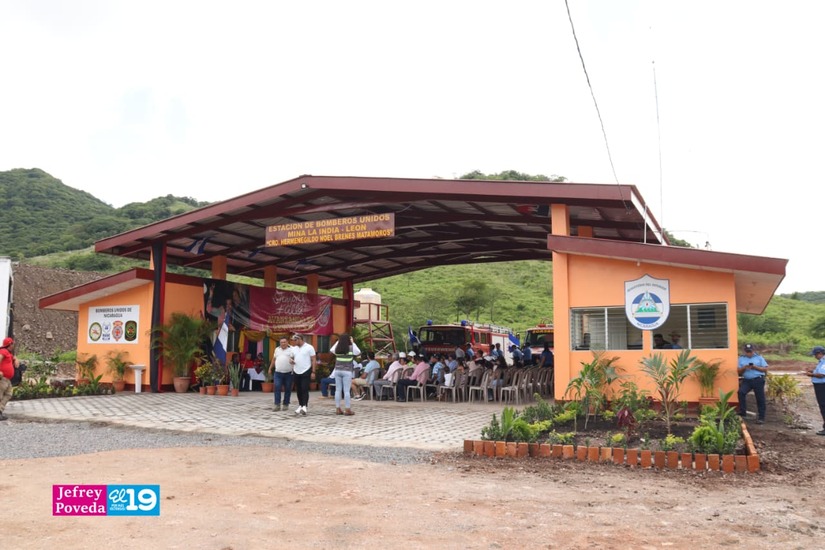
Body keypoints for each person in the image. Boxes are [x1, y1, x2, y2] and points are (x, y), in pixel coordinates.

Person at [737, 343, 769, 424]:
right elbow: (738, 371)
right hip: (747, 380)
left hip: (758, 380)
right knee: (741, 392)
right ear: (744, 351)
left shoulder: (759, 357)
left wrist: (755, 367)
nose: (749, 353)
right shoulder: (741, 358)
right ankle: (743, 411)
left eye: (750, 351)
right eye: (747, 351)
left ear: (753, 351)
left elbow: (765, 369)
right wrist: (744, 368)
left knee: (760, 398)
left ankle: (761, 417)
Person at [331, 333, 359, 416]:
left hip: (337, 371)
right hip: (347, 371)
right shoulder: (351, 348)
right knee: (346, 390)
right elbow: (358, 352)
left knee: (338, 390)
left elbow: (332, 350)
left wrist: (338, 342)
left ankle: (338, 409)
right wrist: (353, 343)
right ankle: (347, 409)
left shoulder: (337, 349)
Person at [290, 334, 317, 416]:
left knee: (304, 388)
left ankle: (304, 406)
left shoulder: (309, 347)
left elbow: (313, 359)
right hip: (296, 370)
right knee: (298, 389)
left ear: (300, 339)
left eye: (295, 340)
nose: (294, 342)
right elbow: (291, 358)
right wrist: (291, 360)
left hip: (306, 370)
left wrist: (313, 371)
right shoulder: (294, 348)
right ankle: (300, 405)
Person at [804, 345, 825, 436]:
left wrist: (811, 375)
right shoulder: (821, 362)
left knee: (823, 406)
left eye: (815, 355)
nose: (815, 356)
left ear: (819, 353)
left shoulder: (824, 362)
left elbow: (822, 374)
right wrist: (812, 371)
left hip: (822, 386)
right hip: (820, 386)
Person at [270, 337, 294, 411]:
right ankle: (277, 405)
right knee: (277, 387)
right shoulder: (277, 349)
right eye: (281, 342)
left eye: (284, 342)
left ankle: (286, 404)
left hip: (288, 373)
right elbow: (274, 359)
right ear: (279, 343)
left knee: (288, 389)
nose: (283, 344)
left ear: (287, 342)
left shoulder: (292, 349)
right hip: (278, 373)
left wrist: (293, 361)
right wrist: (270, 368)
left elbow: (295, 358)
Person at [0, 337, 18, 421]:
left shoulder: (9, 353)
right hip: (2, 379)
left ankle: (0, 411)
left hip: (7, 379)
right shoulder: (3, 351)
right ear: (9, 344)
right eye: (12, 344)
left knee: (8, 394)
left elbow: (16, 364)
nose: (13, 345)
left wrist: (15, 358)